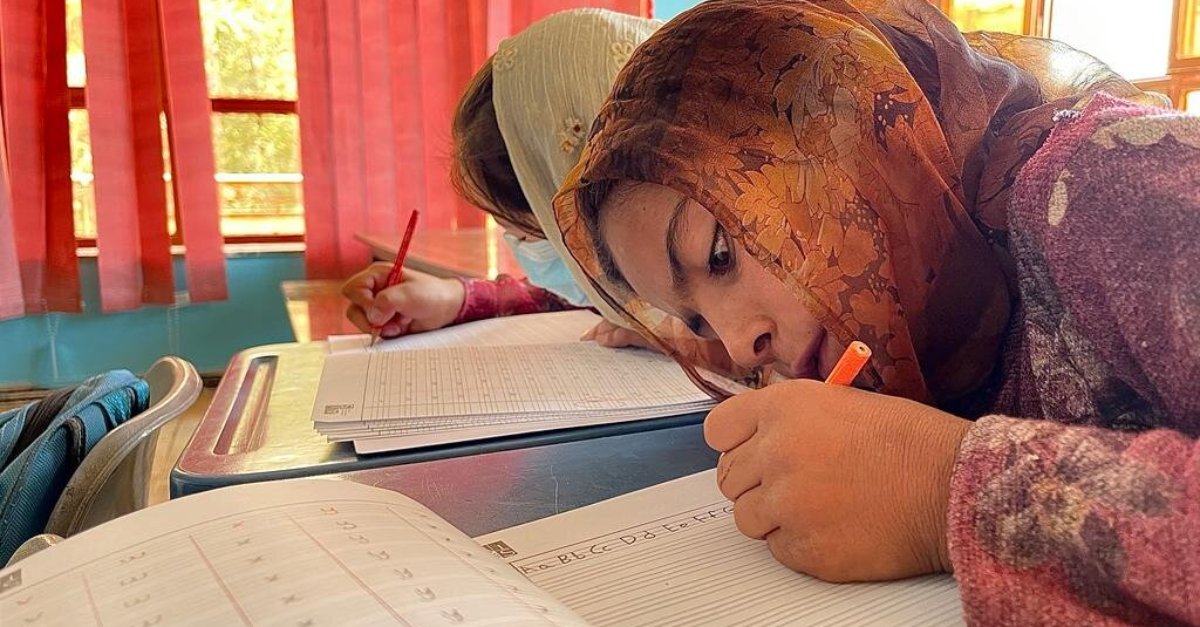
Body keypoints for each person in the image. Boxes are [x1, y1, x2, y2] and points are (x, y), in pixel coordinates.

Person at [552, 0, 1199, 624]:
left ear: (843, 134)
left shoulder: (1108, 186)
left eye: (720, 252)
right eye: (696, 319)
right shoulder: (931, 330)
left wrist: (943, 490)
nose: (741, 343)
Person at [341, 9, 659, 348]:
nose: (527, 253)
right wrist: (455, 299)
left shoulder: (708, 270)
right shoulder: (638, 269)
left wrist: (700, 349)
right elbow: (575, 295)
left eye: (533, 236)